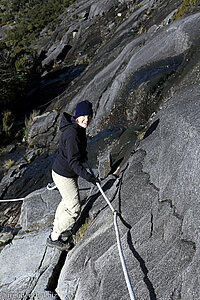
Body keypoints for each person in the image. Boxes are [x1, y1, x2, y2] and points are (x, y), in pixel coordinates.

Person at [47, 100, 98, 251]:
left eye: (89, 116)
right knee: (74, 208)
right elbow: (73, 163)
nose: (86, 119)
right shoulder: (72, 134)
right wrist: (89, 177)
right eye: (83, 116)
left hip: (60, 171)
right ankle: (54, 237)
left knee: (66, 201)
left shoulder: (77, 128)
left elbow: (74, 152)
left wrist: (83, 154)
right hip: (64, 175)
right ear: (77, 116)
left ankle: (57, 227)